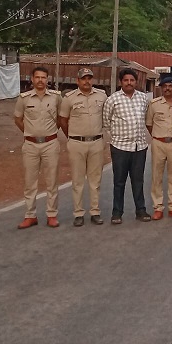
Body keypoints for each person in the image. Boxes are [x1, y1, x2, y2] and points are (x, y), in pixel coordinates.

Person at [13, 66, 61, 229]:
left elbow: (61, 118)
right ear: (32, 79)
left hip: (50, 143)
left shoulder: (56, 97)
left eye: (43, 77)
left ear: (48, 79)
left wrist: (50, 133)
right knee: (30, 182)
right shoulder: (24, 98)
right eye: (37, 77)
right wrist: (29, 133)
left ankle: (52, 214)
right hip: (30, 145)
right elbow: (18, 119)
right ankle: (30, 215)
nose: (40, 80)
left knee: (51, 181)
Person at [103, 68, 151, 225]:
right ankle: (117, 212)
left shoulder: (143, 99)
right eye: (126, 80)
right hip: (120, 148)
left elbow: (146, 118)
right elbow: (106, 122)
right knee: (119, 181)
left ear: (136, 82)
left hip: (140, 147)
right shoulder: (112, 99)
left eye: (132, 80)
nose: (129, 83)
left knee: (138, 180)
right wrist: (115, 139)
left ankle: (141, 210)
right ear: (120, 82)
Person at [59, 68, 107, 226]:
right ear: (77, 81)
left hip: (96, 142)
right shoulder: (69, 98)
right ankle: (78, 213)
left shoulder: (102, 95)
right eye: (83, 78)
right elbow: (63, 121)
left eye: (89, 78)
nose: (87, 81)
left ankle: (95, 211)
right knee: (78, 180)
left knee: (95, 181)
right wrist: (72, 137)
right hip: (76, 143)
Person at [145, 74, 172, 221]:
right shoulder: (154, 104)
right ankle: (158, 207)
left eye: (170, 86)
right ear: (161, 88)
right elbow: (149, 124)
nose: (168, 89)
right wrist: (157, 136)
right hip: (158, 143)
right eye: (165, 86)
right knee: (157, 176)